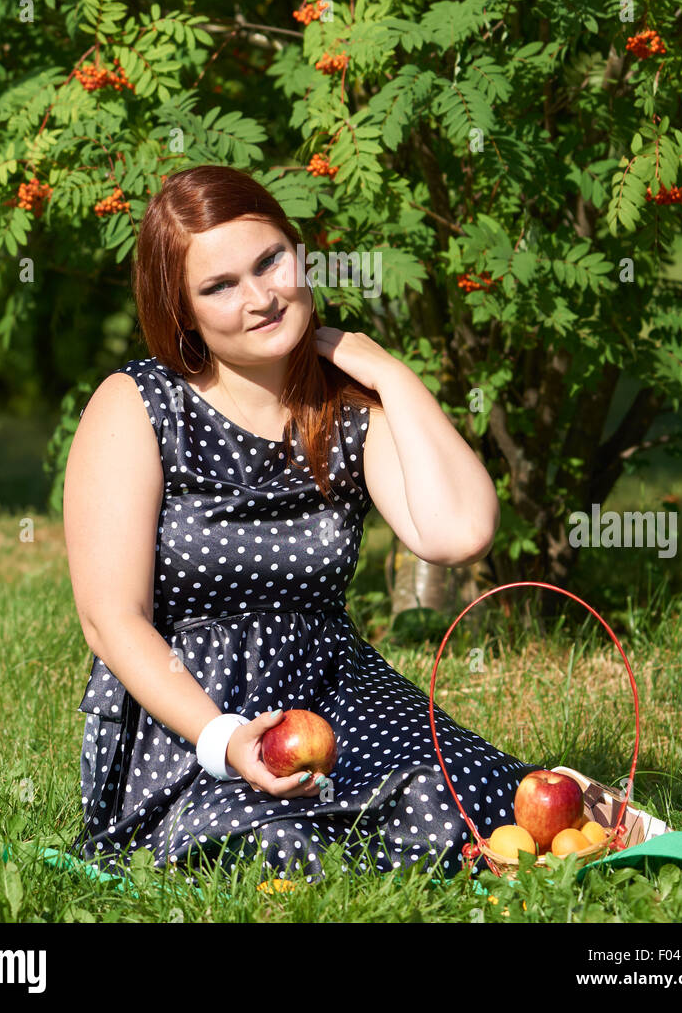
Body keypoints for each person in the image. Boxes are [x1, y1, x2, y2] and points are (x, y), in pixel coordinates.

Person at [62, 164, 555, 885]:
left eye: (271, 261)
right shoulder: (140, 404)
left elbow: (459, 534)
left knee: (477, 803)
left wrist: (392, 376)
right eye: (219, 286)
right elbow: (112, 618)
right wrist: (224, 739)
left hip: (334, 687)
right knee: (275, 845)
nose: (261, 297)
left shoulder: (350, 410)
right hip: (188, 712)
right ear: (183, 314)